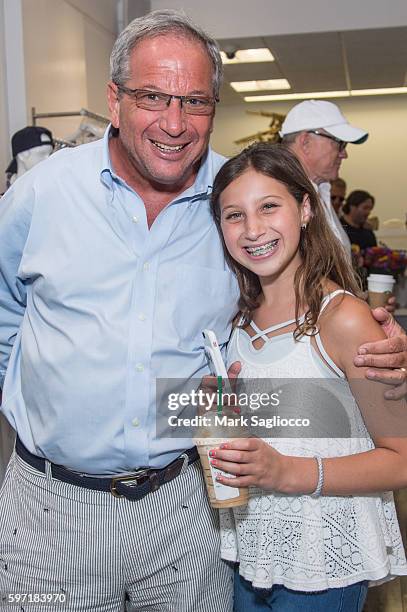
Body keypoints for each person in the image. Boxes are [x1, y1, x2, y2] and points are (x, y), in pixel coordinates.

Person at [0, 9, 405, 612]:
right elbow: (8, 313)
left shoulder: (234, 198)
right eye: (152, 96)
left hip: (186, 504)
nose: (174, 122)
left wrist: (372, 358)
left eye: (194, 101)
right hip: (53, 506)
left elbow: (284, 361)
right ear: (115, 101)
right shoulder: (43, 193)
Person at [209, 142, 407, 612]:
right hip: (249, 552)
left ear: (304, 208)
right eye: (234, 215)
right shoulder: (236, 319)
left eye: (269, 207)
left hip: (322, 566)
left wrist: (288, 472)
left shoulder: (342, 319)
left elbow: (401, 458)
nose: (252, 229)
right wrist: (219, 406)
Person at [279, 99, 368, 253]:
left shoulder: (321, 189)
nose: (344, 154)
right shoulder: (279, 196)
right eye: (340, 144)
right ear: (306, 142)